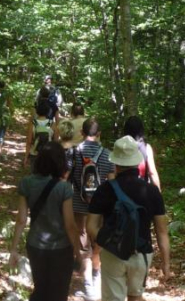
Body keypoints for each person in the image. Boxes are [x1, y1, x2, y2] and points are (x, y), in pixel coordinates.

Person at [87, 136, 171, 301]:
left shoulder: (104, 190)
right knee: (136, 296)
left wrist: (108, 242)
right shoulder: (152, 191)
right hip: (141, 252)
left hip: (112, 253)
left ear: (115, 164)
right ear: (137, 162)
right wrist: (166, 262)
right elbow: (162, 232)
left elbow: (90, 226)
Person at [8, 142, 82, 301]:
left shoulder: (26, 183)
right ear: (60, 162)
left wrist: (13, 249)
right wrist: (78, 253)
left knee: (41, 289)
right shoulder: (64, 188)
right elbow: (70, 225)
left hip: (35, 245)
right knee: (59, 292)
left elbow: (21, 219)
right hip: (61, 249)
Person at [71, 117, 115, 300]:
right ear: (99, 134)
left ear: (82, 132)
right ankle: (96, 276)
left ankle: (88, 281)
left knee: (83, 241)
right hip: (100, 206)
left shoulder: (74, 152)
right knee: (98, 241)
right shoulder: (107, 154)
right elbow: (112, 182)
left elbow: (68, 178)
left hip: (78, 203)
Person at [123, 116, 161, 191]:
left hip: (124, 189)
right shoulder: (146, 148)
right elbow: (152, 172)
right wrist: (159, 193)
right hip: (142, 189)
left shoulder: (121, 147)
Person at [25, 101, 58, 169]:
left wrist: (26, 157)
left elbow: (29, 141)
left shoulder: (33, 123)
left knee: (34, 174)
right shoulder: (52, 124)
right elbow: (55, 142)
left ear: (37, 111)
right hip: (47, 154)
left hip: (34, 153)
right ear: (48, 111)